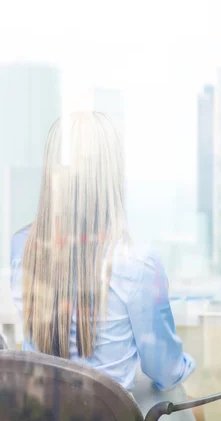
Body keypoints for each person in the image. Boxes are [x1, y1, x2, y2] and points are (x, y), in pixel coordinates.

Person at [10, 112, 203, 421]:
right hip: (105, 413)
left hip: (38, 410)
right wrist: (183, 365)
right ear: (111, 175)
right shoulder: (138, 262)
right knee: (187, 402)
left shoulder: (21, 247)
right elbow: (164, 370)